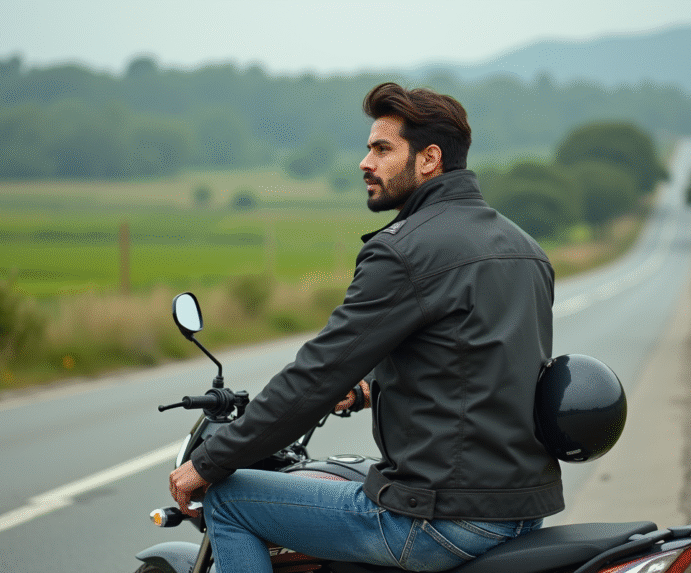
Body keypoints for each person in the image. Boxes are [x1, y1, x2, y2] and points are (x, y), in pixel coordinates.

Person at [169, 82, 563, 572]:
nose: (365, 162)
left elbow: (316, 375)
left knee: (229, 497)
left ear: (429, 159)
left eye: (382, 148)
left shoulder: (404, 251)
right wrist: (368, 387)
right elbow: (475, 358)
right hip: (521, 512)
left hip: (439, 519)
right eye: (368, 147)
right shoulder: (525, 247)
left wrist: (209, 462)